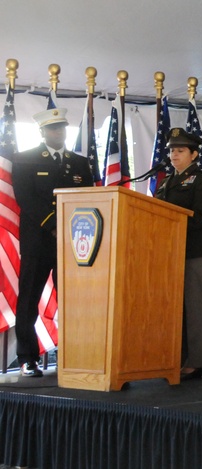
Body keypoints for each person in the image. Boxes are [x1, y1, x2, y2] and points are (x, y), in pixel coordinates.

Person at [11, 108, 94, 377]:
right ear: (42, 132)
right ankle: (27, 358)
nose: (58, 132)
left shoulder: (80, 163)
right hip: (38, 242)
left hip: (73, 242)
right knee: (29, 300)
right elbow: (26, 199)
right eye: (53, 129)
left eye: (62, 128)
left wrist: (70, 228)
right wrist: (53, 224)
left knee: (73, 300)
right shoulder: (25, 159)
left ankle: (74, 352)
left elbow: (89, 199)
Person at [152, 128, 202, 380]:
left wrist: (168, 221)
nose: (174, 155)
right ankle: (174, 359)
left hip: (196, 252)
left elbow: (200, 217)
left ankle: (196, 361)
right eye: (171, 150)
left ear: (194, 154)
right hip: (170, 252)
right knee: (173, 309)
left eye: (180, 150)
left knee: (194, 308)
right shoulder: (167, 181)